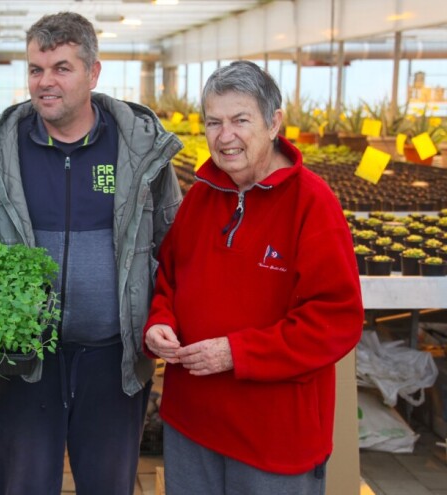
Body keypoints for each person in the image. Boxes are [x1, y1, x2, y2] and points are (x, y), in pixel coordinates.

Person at [0, 12, 183, 495]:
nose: (45, 82)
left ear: (93, 72)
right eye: (35, 69)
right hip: (26, 361)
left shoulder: (137, 150)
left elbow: (173, 243)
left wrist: (165, 318)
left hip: (112, 360)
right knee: (23, 483)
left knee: (108, 484)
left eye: (61, 68)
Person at [143, 60, 364, 494]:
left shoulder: (312, 205)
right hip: (193, 424)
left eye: (240, 120)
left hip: (273, 438)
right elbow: (167, 274)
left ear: (274, 122)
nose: (224, 136)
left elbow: (335, 321)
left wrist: (237, 353)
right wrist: (159, 321)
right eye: (213, 122)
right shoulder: (203, 196)